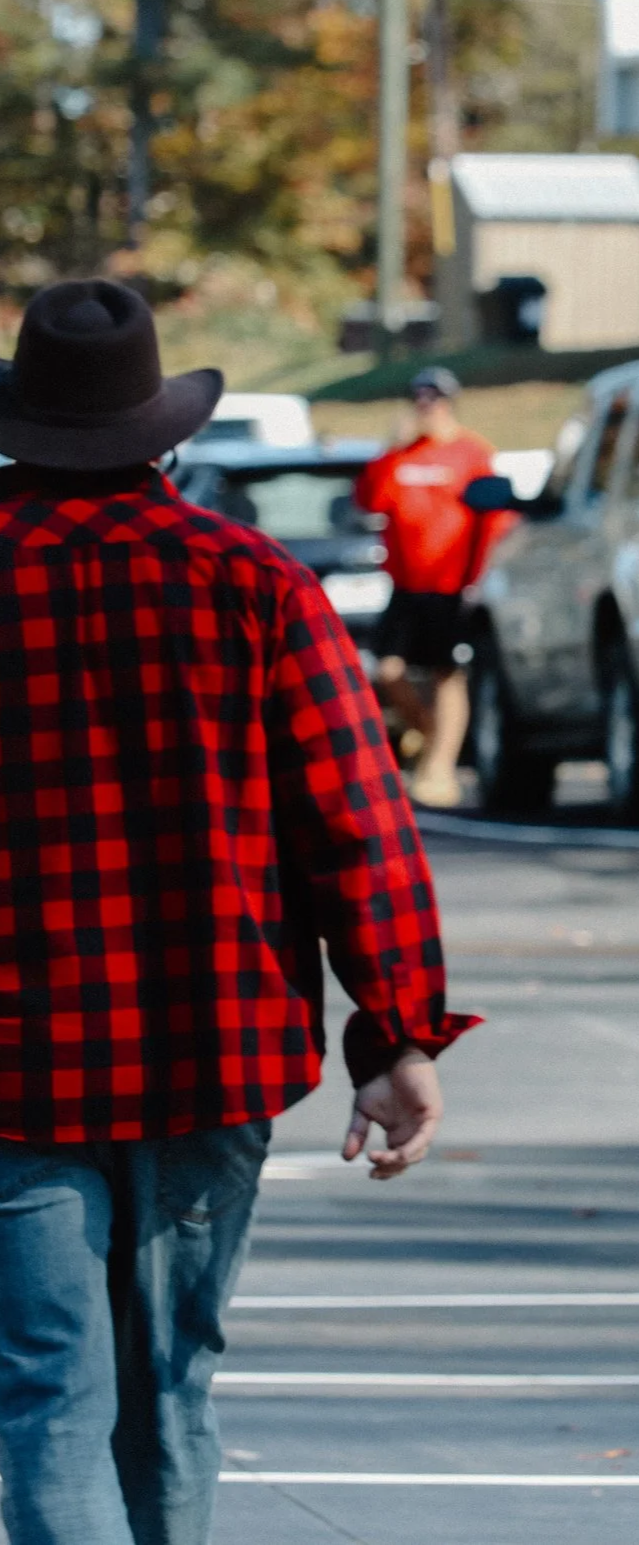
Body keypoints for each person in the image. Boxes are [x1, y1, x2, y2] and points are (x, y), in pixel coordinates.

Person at [0, 280, 479, 1545]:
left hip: (14, 1064)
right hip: (209, 1052)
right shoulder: (256, 584)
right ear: (164, 436)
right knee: (169, 1389)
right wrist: (399, 1034)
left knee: (46, 1395)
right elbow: (357, 829)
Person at [355, 365, 504, 809]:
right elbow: (368, 500)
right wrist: (389, 448)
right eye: (419, 399)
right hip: (407, 584)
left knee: (447, 674)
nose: (426, 408)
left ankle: (440, 768)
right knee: (389, 671)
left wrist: (478, 577)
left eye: (434, 399)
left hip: (452, 583)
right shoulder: (402, 455)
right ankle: (426, 731)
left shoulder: (471, 453)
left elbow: (493, 518)